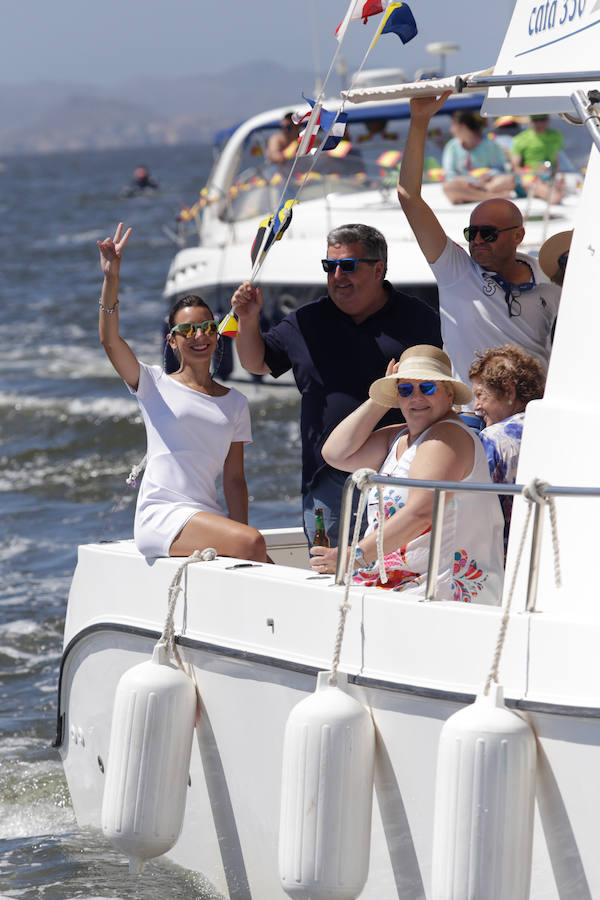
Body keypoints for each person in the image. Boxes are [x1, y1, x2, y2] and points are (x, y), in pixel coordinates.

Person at [231, 223, 442, 545]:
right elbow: (255, 362)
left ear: (378, 269)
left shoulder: (419, 319)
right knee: (330, 569)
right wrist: (247, 319)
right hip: (327, 476)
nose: (337, 276)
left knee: (398, 567)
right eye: (330, 267)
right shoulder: (306, 321)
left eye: (348, 266)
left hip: (400, 470)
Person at [97, 222, 268, 562]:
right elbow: (110, 340)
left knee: (258, 553)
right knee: (253, 544)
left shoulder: (236, 403)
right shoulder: (152, 383)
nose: (198, 335)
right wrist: (111, 277)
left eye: (206, 327)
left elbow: (235, 481)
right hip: (161, 516)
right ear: (172, 340)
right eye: (186, 330)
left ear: (217, 334)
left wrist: (243, 552)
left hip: (206, 516)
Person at [309, 345, 505, 603]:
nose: (416, 397)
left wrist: (353, 556)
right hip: (396, 584)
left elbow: (421, 512)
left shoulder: (448, 436)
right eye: (405, 390)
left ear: (449, 394)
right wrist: (381, 399)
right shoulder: (399, 436)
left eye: (427, 388)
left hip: (439, 594)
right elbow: (336, 453)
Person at [397, 91, 562, 393]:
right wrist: (419, 121)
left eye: (488, 233)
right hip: (471, 418)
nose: (478, 241)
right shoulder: (455, 270)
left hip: (532, 417)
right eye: (472, 234)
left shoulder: (550, 280)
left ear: (518, 237)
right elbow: (409, 198)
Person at [469, 345, 546, 555]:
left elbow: (473, 508)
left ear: (509, 391)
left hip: (502, 558)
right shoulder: (553, 430)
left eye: (480, 395)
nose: (475, 406)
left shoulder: (493, 438)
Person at [441, 110, 513, 205]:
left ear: (463, 127)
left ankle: (470, 197)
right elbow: (449, 174)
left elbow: (500, 169)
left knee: (509, 180)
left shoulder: (490, 144)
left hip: (487, 184)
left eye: (453, 126)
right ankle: (492, 197)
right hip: (465, 185)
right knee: (448, 187)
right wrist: (465, 181)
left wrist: (484, 178)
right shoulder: (452, 147)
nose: (451, 130)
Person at [510, 115, 564, 204]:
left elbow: (556, 160)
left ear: (548, 120)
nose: (539, 123)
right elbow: (515, 167)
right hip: (528, 178)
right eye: (535, 120)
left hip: (548, 176)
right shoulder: (521, 139)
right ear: (530, 121)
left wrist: (555, 176)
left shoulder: (556, 136)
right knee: (554, 197)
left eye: (542, 119)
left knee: (560, 185)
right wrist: (536, 173)